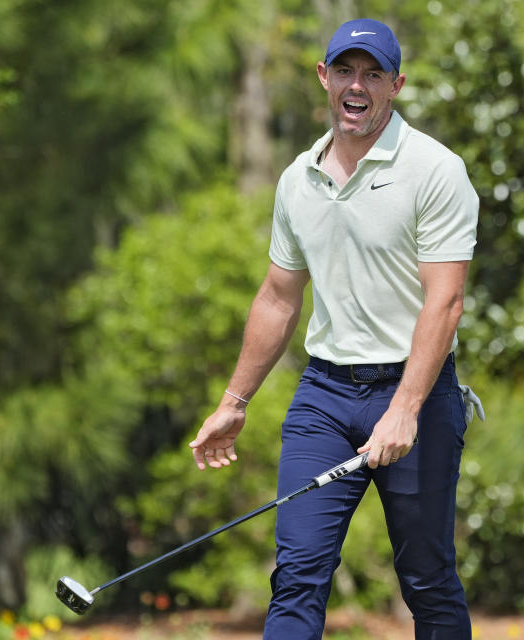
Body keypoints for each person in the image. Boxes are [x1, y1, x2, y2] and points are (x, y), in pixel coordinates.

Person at [189, 17, 480, 640]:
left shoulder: (434, 169)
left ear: (396, 85)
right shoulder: (298, 179)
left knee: (427, 576)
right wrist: (234, 401)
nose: (358, 85)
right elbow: (277, 297)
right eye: (345, 70)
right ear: (324, 77)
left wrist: (405, 408)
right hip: (324, 398)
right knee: (296, 574)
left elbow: (446, 301)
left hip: (418, 395)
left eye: (373, 74)